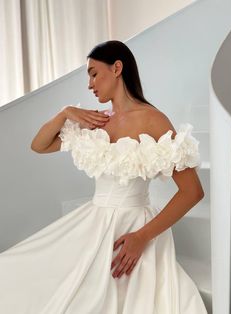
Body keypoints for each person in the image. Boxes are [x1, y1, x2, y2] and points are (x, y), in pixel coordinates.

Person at [0, 40, 207, 313]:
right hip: (94, 220)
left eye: (94, 73)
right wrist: (65, 113)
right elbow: (39, 145)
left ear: (117, 68)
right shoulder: (97, 121)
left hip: (133, 226)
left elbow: (192, 192)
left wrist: (142, 237)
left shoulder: (153, 120)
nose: (90, 84)